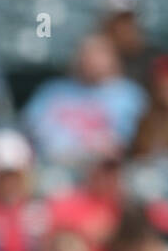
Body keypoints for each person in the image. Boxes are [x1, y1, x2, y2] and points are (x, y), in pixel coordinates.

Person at [22, 33, 146, 167]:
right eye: (85, 53)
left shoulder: (127, 94)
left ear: (112, 58)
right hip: (50, 162)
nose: (90, 59)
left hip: (100, 169)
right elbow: (32, 127)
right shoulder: (53, 89)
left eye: (98, 54)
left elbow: (120, 141)